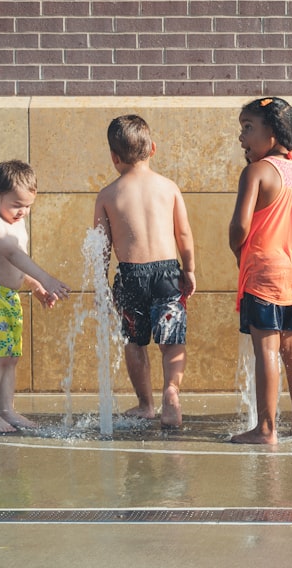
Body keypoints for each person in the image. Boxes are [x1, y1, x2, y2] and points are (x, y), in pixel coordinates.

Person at [229, 97, 292, 444]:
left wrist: (238, 248)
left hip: (264, 272)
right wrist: (291, 244)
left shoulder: (256, 171)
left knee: (267, 351)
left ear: (271, 133)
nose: (241, 137)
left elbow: (240, 228)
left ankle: (266, 428)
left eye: (247, 128)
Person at [94, 114, 196, 428]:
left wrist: (101, 285)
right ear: (152, 148)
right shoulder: (168, 188)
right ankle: (171, 391)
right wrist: (189, 270)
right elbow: (183, 234)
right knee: (172, 341)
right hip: (167, 274)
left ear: (114, 157)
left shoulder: (108, 195)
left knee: (135, 343)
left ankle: (145, 404)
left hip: (130, 277)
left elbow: (101, 247)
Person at [0, 160, 71, 433]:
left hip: (9, 298)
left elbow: (16, 266)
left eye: (28, 206)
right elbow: (12, 254)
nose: (22, 211)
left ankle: (7, 410)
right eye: (16, 205)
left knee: (10, 358)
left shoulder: (17, 221)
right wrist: (47, 277)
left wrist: (36, 286)